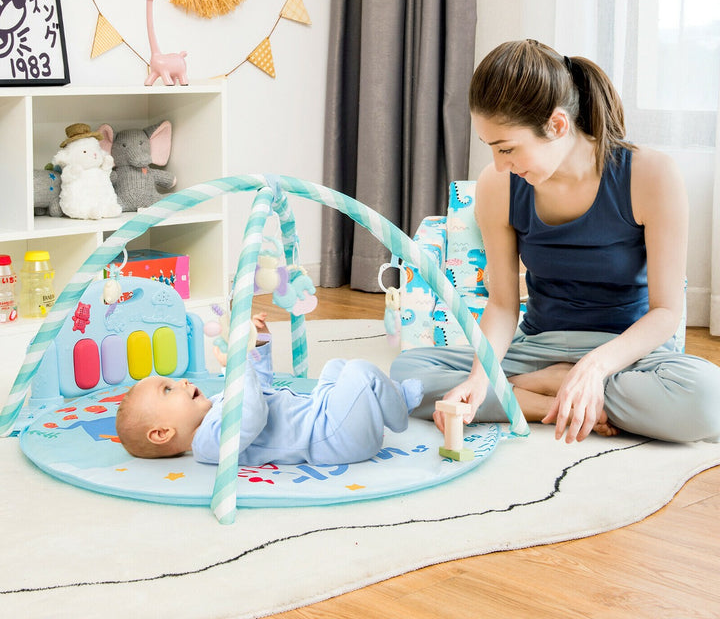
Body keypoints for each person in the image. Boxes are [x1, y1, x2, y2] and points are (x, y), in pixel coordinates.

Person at [391, 39, 720, 444]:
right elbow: (502, 304)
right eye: (491, 149)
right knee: (410, 374)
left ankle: (542, 391)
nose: (498, 164)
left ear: (558, 125)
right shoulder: (499, 185)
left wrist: (594, 367)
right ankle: (558, 399)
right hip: (539, 345)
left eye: (507, 148)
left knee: (709, 400)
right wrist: (480, 379)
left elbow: (667, 312)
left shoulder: (651, 175)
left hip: (625, 355)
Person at [116, 313, 423, 465]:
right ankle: (399, 409)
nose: (181, 382)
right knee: (358, 371)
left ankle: (386, 401)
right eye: (168, 390)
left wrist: (256, 346)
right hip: (330, 437)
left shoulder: (216, 406)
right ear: (162, 433)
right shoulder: (209, 443)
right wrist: (237, 366)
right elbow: (251, 416)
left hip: (319, 410)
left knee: (334, 366)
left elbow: (260, 389)